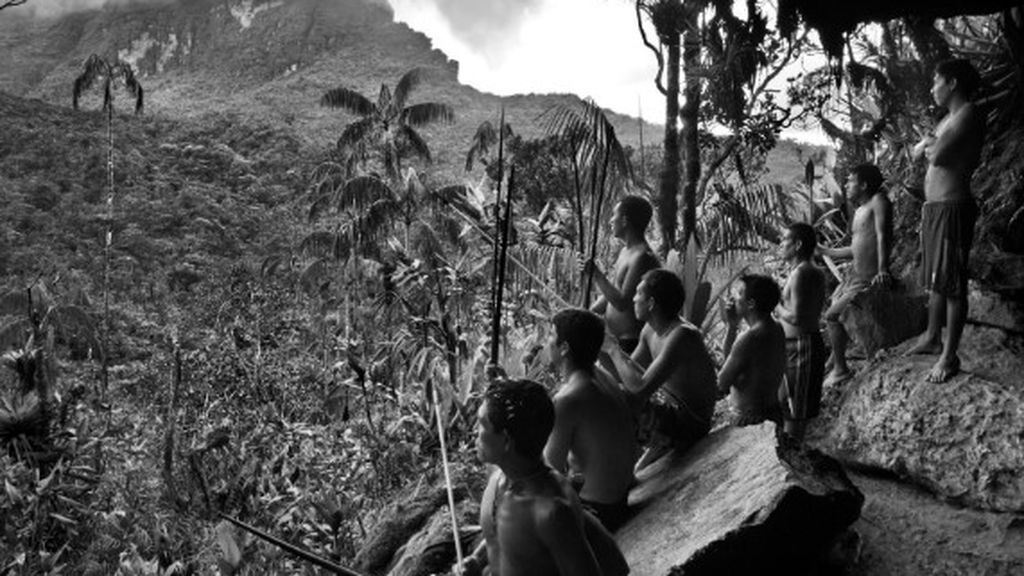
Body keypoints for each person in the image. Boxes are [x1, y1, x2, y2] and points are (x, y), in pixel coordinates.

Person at [458, 379, 629, 576]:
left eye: (481, 425)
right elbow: (500, 539)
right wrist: (477, 562)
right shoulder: (499, 477)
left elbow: (614, 564)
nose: (474, 433)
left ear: (506, 440)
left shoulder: (551, 511)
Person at [906, 58, 986, 383]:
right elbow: (922, 151)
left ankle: (949, 355)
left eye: (936, 81)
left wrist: (928, 145)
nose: (931, 87)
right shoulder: (948, 120)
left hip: (953, 207)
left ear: (952, 83)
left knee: (952, 283)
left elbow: (936, 156)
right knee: (937, 278)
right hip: (937, 208)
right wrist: (929, 144)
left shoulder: (968, 114)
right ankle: (931, 336)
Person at [603, 269, 717, 465]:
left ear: (651, 303)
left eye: (639, 294)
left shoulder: (682, 336)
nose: (633, 299)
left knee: (619, 399)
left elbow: (639, 389)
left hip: (691, 423)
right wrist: (599, 347)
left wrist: (613, 349)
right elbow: (626, 376)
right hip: (672, 413)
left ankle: (616, 471)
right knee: (608, 388)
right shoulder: (650, 330)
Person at [543, 309, 638, 532]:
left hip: (599, 511)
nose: (546, 341)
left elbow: (550, 472)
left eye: (550, 335)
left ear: (564, 348)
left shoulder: (567, 399)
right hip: (619, 498)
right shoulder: (602, 376)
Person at [820, 163, 893, 384]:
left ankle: (841, 369)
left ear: (863, 184)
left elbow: (883, 236)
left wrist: (882, 270)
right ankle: (834, 359)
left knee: (832, 315)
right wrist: (825, 251)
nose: (845, 185)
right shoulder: (860, 211)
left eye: (850, 180)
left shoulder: (878, 202)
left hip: (868, 278)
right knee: (833, 302)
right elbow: (856, 248)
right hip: (854, 277)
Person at [584, 195, 661, 354]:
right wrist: (588, 312)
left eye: (614, 215)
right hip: (616, 339)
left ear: (625, 220)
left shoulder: (642, 257)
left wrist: (597, 274)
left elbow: (622, 302)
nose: (611, 220)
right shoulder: (625, 251)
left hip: (632, 342)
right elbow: (612, 292)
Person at [776, 223, 828, 441]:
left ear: (797, 245)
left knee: (795, 412)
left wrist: (775, 306)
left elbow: (798, 317)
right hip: (797, 345)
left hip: (802, 345)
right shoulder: (806, 271)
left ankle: (796, 458)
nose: (781, 244)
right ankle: (793, 458)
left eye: (785, 240)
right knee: (788, 405)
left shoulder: (802, 273)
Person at [718, 274, 787, 426]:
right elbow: (734, 362)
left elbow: (723, 382)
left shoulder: (750, 337)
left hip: (750, 418)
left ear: (750, 303)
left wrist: (731, 327)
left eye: (739, 293)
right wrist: (732, 326)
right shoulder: (776, 327)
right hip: (773, 412)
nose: (734, 297)